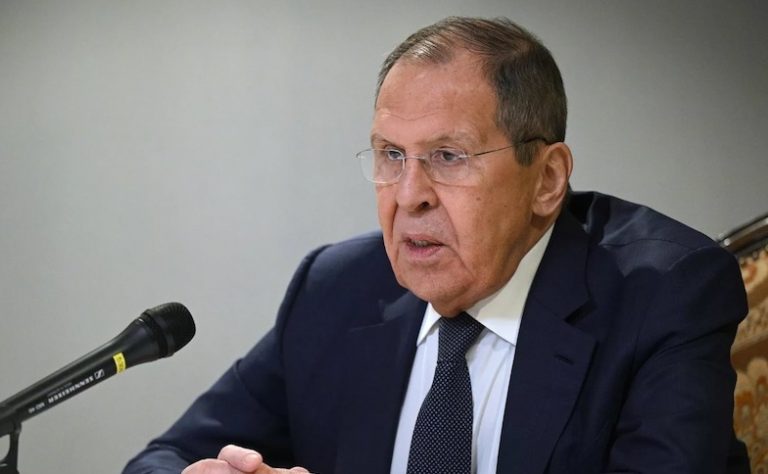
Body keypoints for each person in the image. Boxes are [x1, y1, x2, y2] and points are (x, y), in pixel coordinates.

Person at [123, 17, 749, 474]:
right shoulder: (336, 289)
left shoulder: (665, 296)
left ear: (547, 180)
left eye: (448, 156)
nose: (408, 196)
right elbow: (163, 458)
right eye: (391, 155)